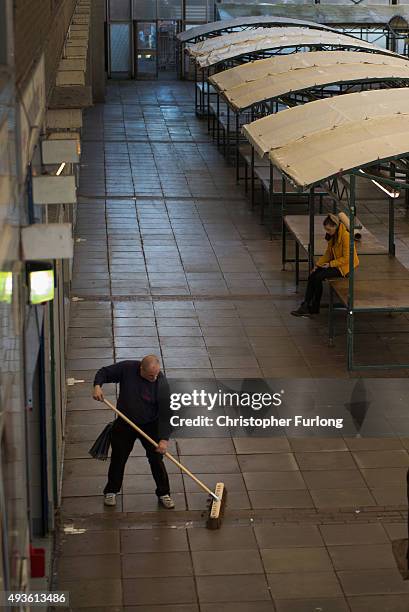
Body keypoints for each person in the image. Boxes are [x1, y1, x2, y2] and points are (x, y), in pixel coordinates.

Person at [93, 355, 175, 509]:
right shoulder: (127, 369)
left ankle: (164, 493)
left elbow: (166, 412)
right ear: (141, 369)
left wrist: (164, 439)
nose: (154, 377)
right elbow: (104, 372)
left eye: (157, 373)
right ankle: (111, 490)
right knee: (118, 458)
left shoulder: (161, 383)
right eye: (151, 375)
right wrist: (97, 385)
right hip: (126, 423)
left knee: (156, 460)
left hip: (151, 425)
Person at [291, 213, 359, 317]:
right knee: (312, 276)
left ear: (335, 226)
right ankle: (305, 305)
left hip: (345, 267)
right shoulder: (333, 236)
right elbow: (328, 253)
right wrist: (317, 266)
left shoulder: (345, 236)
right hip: (335, 264)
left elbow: (347, 258)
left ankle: (314, 306)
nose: (327, 232)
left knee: (318, 277)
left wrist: (330, 264)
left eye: (329, 229)